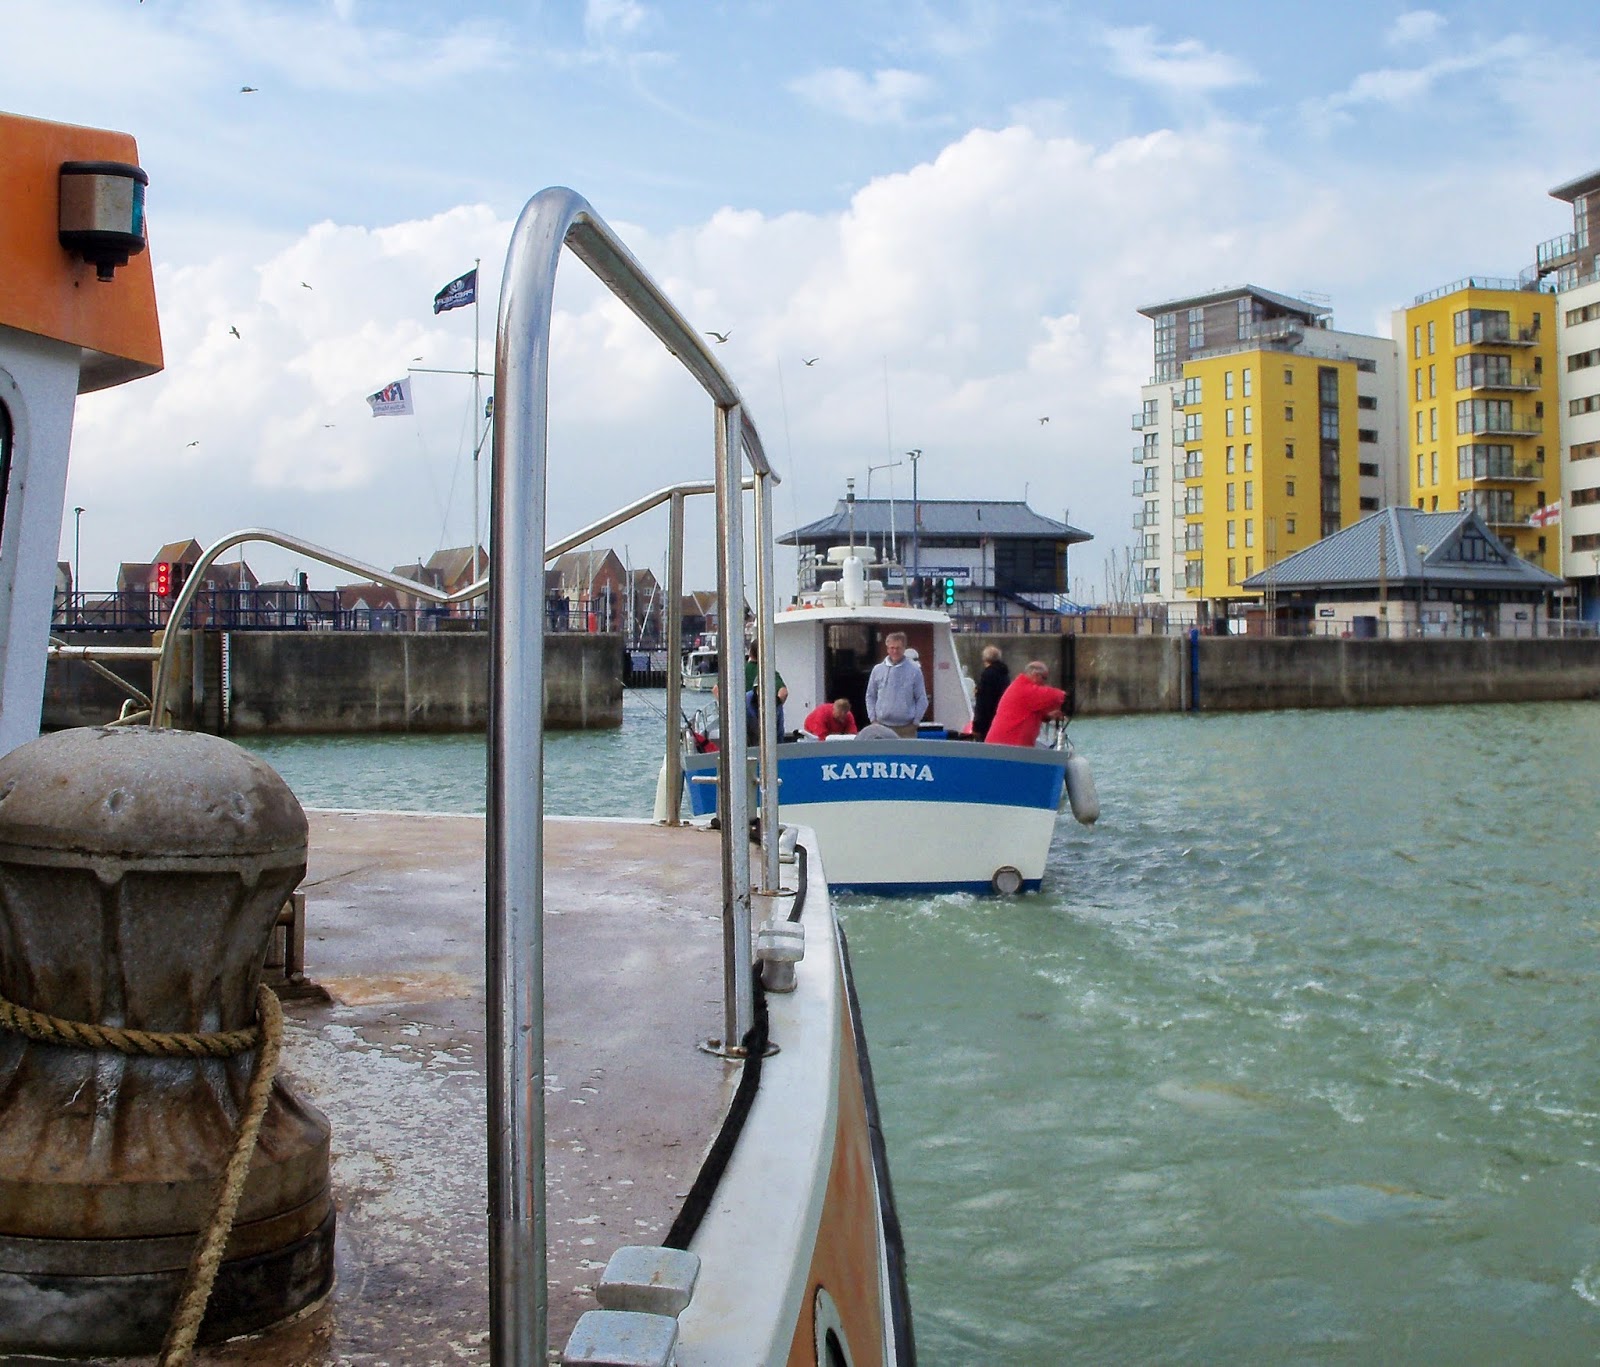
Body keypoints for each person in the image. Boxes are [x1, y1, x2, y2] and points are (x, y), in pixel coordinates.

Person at [985, 661, 1066, 748]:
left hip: (1005, 745)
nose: (1044, 683)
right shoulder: (1025, 689)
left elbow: (1028, 711)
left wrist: (1047, 716)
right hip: (1005, 746)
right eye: (1044, 678)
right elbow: (1053, 696)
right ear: (1036, 675)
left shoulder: (1019, 686)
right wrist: (1066, 696)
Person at [864, 630, 927, 739]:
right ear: (887, 649)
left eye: (898, 648)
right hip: (881, 727)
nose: (895, 651)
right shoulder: (877, 670)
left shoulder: (915, 670)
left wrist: (915, 722)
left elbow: (922, 698)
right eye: (892, 648)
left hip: (907, 729)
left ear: (904, 649)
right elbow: (870, 696)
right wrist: (873, 719)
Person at [971, 644, 1010, 741]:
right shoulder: (1005, 674)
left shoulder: (987, 675)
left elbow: (983, 703)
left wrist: (977, 726)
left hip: (987, 722)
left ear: (985, 658)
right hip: (1000, 719)